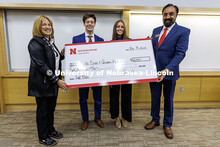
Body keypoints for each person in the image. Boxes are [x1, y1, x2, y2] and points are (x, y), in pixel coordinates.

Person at [144, 4, 190, 139]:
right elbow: (153, 50)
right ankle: (155, 119)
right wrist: (146, 44)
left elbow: (180, 53)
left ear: (176, 15)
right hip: (154, 72)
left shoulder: (183, 31)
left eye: (171, 14)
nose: (168, 16)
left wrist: (166, 69)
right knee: (154, 97)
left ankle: (168, 124)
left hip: (169, 72)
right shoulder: (156, 30)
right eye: (165, 14)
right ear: (162, 16)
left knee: (168, 99)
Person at [28, 15, 67, 146]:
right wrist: (57, 80)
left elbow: (53, 61)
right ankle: (43, 136)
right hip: (42, 85)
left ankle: (50, 130)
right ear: (38, 27)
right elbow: (42, 65)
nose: (47, 27)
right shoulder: (35, 43)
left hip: (51, 84)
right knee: (43, 112)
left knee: (51, 109)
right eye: (44, 24)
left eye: (49, 24)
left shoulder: (49, 41)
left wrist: (61, 55)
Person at [72, 13, 104, 130]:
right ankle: (85, 119)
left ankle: (97, 117)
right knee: (83, 99)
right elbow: (74, 59)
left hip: (96, 75)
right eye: (87, 22)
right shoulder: (76, 39)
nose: (90, 24)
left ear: (94, 24)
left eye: (92, 22)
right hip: (83, 76)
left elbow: (102, 59)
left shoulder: (101, 40)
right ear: (84, 24)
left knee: (98, 99)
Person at [109, 20, 132, 129]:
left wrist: (145, 43)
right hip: (114, 74)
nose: (120, 28)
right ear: (115, 28)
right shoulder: (110, 42)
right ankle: (117, 118)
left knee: (126, 96)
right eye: (118, 26)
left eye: (122, 27)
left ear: (124, 29)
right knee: (114, 96)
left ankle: (125, 118)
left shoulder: (129, 41)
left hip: (127, 74)